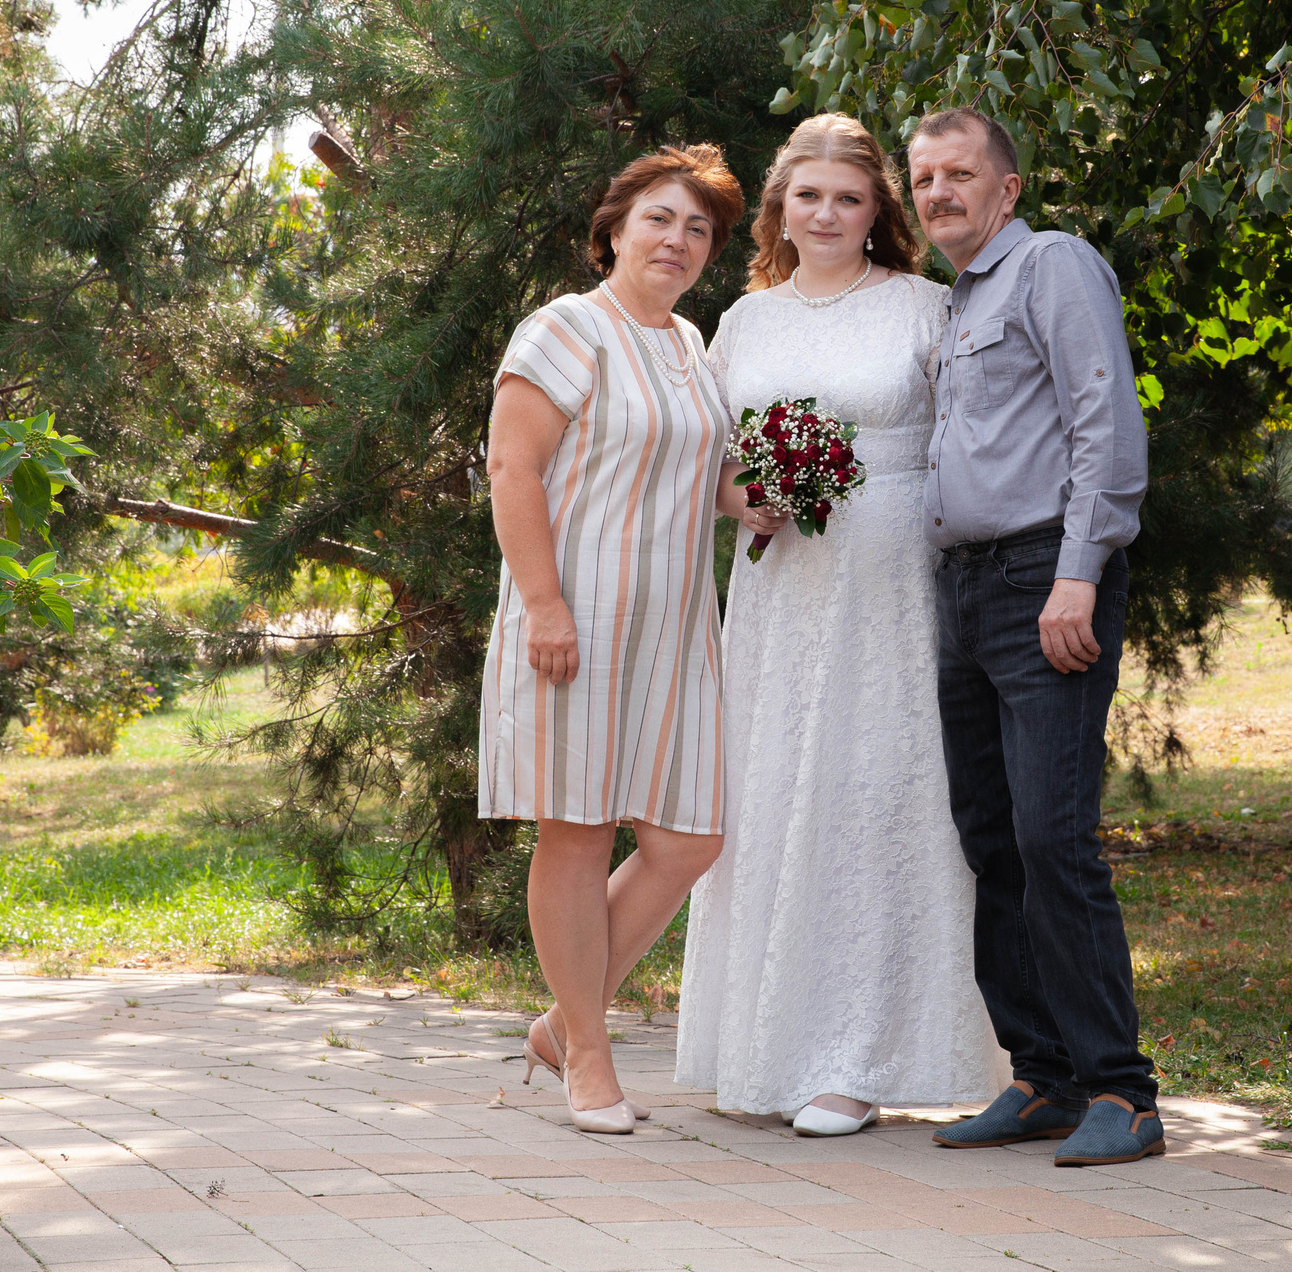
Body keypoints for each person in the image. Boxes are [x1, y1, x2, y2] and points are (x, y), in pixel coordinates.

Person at [675, 115, 1007, 1137]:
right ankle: (767, 1043)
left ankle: (859, 1057)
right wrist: (741, 500)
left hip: (894, 576)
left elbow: (978, 435)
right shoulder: (747, 320)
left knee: (878, 796)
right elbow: (712, 455)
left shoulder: (924, 308)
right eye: (807, 196)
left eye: (849, 198)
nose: (825, 214)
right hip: (780, 587)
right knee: (775, 793)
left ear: (878, 213)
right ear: (780, 207)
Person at [480, 144, 761, 1135]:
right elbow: (512, 471)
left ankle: (563, 1020)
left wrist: (781, 496)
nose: (677, 241)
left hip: (677, 629)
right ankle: (589, 1059)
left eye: (698, 229)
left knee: (691, 838)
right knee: (578, 828)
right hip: (578, 620)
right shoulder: (565, 331)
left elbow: (706, 478)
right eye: (659, 220)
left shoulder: (690, 345)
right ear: (613, 232)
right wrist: (545, 606)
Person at [907, 105, 1162, 1166]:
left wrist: (1076, 574)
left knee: (1054, 836)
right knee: (992, 837)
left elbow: (1105, 419)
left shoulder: (1051, 265)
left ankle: (1123, 1092)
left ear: (1006, 188)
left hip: (1040, 579)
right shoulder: (954, 306)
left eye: (959, 174)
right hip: (963, 590)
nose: (938, 194)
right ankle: (1042, 1076)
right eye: (922, 180)